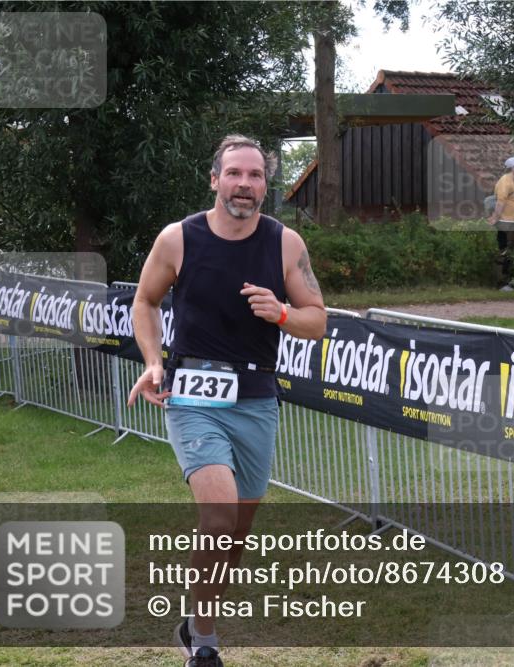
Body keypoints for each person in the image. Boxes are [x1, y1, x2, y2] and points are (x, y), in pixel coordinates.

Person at [127, 134, 327, 667]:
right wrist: (153, 360)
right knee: (218, 515)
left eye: (256, 175)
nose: (245, 184)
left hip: (258, 397)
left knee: (234, 536)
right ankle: (207, 645)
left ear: (266, 185)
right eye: (234, 173)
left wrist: (282, 313)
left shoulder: (286, 244)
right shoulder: (178, 239)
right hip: (192, 393)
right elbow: (145, 302)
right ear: (215, 179)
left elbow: (318, 321)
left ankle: (194, 624)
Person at [488, 156, 514, 289]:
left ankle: (505, 281)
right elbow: (500, 201)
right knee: (505, 250)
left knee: (508, 250)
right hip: (506, 222)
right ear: (512, 168)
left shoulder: (511, 181)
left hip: (510, 222)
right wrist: (495, 217)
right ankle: (502, 283)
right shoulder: (505, 181)